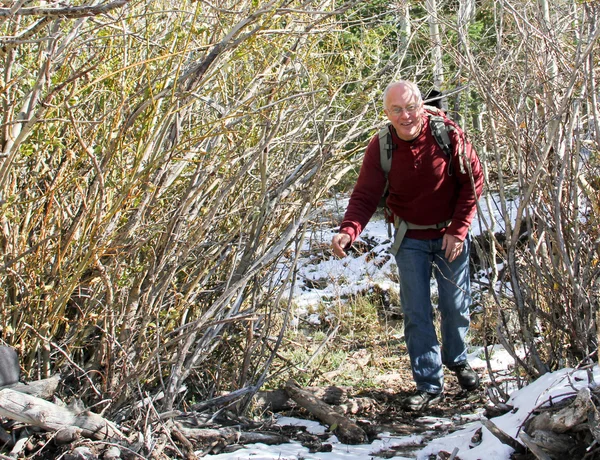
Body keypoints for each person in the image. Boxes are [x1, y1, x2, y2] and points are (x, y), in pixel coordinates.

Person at [331, 80, 484, 411]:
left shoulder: (448, 134)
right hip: (409, 236)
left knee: (455, 306)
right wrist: (348, 230)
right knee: (417, 312)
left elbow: (474, 180)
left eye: (411, 107)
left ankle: (457, 360)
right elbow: (365, 195)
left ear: (422, 106)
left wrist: (458, 229)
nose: (406, 116)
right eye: (397, 110)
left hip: (450, 235)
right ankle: (429, 384)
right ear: (386, 113)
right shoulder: (382, 145)